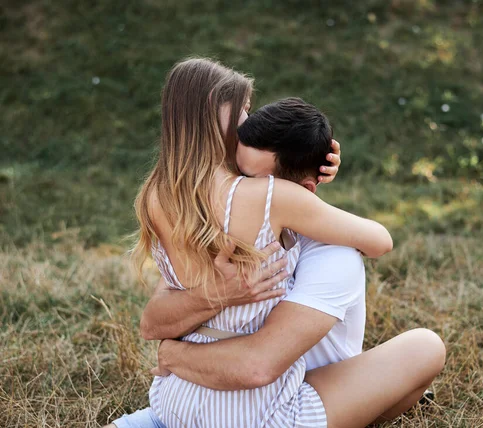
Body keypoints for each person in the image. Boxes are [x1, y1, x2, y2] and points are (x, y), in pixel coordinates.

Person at [108, 58, 445, 428]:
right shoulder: (272, 196)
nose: (250, 124)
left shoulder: (158, 196)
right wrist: (303, 181)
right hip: (252, 411)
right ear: (214, 114)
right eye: (245, 111)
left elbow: (160, 309)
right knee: (426, 348)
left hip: (175, 399)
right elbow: (380, 241)